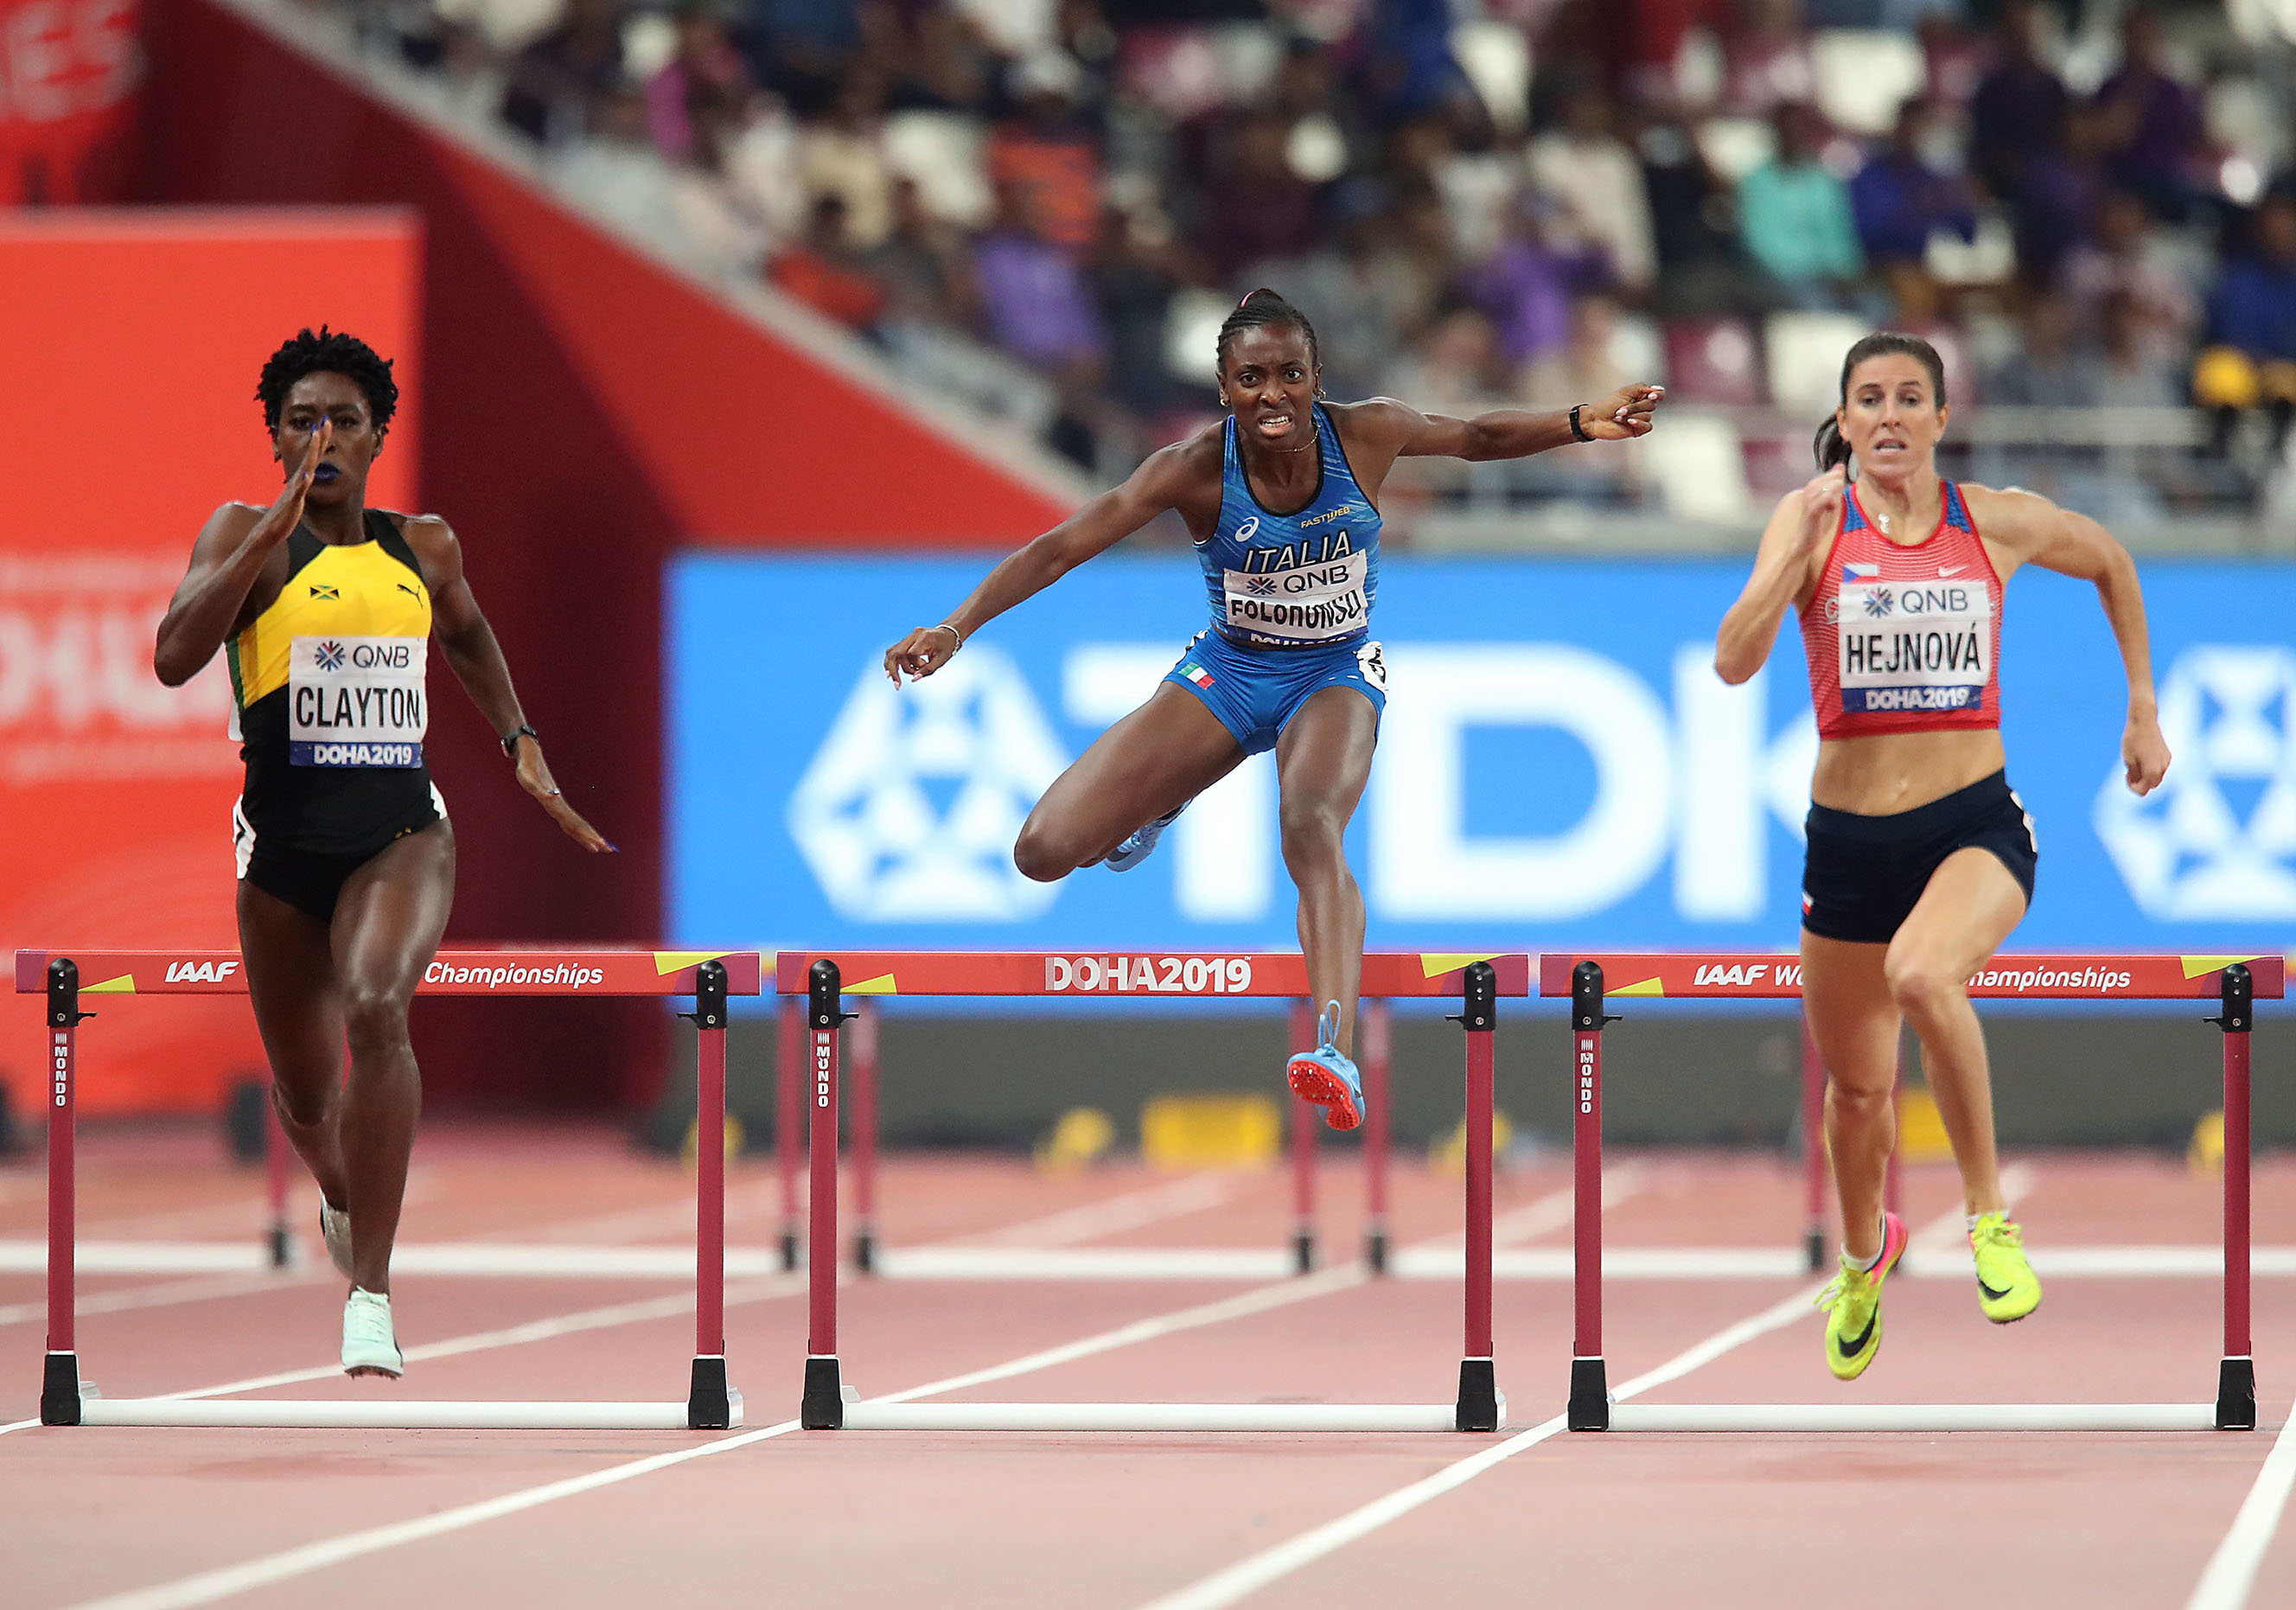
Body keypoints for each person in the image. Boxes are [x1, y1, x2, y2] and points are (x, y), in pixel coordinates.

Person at [884, 289, 1661, 1128]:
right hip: (1229, 670)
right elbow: (1061, 547)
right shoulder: (1191, 466)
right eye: (1251, 378)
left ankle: (1334, 1049)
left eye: (1290, 374)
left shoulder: (1365, 431)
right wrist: (955, 627)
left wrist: (1582, 421)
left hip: (1332, 673)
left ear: (1316, 377)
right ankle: (1162, 800)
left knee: (1310, 825)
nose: (1273, 394)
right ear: (1224, 389)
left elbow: (1476, 437)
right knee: (1043, 851)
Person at [152, 329, 611, 1377]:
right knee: (307, 1097)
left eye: (344, 421)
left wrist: (519, 736)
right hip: (280, 852)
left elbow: (468, 633)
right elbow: (175, 656)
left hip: (402, 834)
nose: (323, 437)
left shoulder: (424, 547)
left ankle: (371, 1292)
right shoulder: (241, 531)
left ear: (375, 438)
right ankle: (342, 1194)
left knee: (375, 1007)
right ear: (276, 439)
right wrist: (268, 534)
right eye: (301, 421)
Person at [1713, 331, 2171, 1382]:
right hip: (1848, 842)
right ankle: (1863, 1256)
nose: (1889, 415)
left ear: (1938, 417)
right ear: (1843, 419)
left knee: (1922, 973)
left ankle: (1987, 1219)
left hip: (1972, 823)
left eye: (1908, 397)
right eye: (1869, 398)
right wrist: (1790, 558)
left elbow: (2110, 558)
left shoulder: (1991, 520)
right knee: (1856, 1093)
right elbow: (1732, 662)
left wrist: (2142, 704)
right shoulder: (1809, 519)